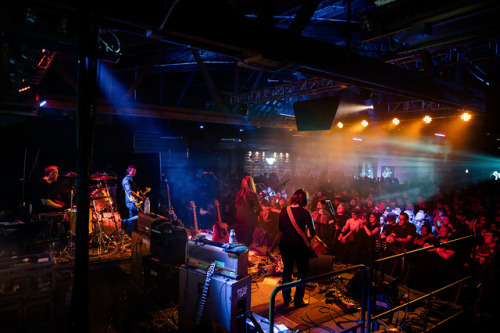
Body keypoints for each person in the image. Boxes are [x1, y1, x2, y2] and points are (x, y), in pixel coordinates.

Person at [279, 189, 315, 308]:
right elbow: (312, 232)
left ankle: (286, 299)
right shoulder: (305, 213)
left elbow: (280, 228)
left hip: (285, 244)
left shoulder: (284, 210)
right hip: (299, 246)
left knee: (287, 271)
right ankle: (298, 300)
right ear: (305, 200)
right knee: (302, 273)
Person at [234, 175, 262, 247]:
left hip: (239, 219)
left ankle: (239, 257)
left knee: (240, 241)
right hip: (248, 221)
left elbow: (236, 206)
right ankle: (245, 257)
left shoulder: (238, 193)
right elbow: (258, 209)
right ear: (251, 184)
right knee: (247, 242)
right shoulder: (253, 194)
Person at [121, 165, 146, 234]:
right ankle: (124, 221)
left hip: (133, 202)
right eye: (132, 171)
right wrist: (139, 197)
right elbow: (130, 192)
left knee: (132, 218)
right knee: (142, 215)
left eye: (135, 172)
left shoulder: (131, 180)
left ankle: (130, 234)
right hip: (130, 202)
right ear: (129, 171)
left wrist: (142, 195)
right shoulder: (126, 180)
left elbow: (136, 190)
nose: (134, 173)